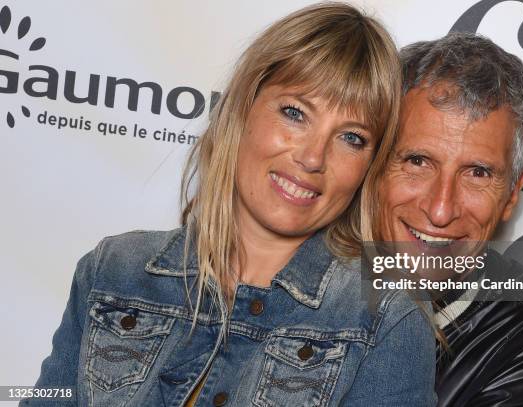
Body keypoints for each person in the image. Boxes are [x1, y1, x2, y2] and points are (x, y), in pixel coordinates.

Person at [23, 3, 437, 407]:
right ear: (243, 108)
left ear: (369, 165)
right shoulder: (114, 270)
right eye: (295, 113)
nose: (313, 158)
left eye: (352, 138)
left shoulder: (386, 319)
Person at [365, 32, 523, 406]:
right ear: (371, 165)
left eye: (477, 173)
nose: (441, 209)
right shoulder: (284, 273)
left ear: (512, 193)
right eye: (417, 161)